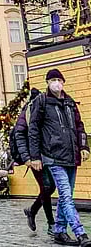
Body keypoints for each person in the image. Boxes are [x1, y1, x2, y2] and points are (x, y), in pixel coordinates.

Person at [28, 68, 91, 246]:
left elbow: (79, 126)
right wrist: (35, 156)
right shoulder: (41, 101)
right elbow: (33, 130)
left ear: (63, 82)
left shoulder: (70, 102)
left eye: (59, 80)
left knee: (66, 196)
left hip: (71, 156)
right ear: (47, 83)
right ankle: (80, 233)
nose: (56, 83)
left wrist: (84, 146)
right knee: (66, 195)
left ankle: (59, 231)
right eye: (52, 80)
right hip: (53, 156)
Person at [14, 87, 56, 235]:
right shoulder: (27, 112)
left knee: (50, 187)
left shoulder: (45, 110)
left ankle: (32, 210)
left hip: (48, 154)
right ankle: (51, 224)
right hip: (34, 157)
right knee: (47, 187)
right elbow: (19, 135)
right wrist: (27, 158)